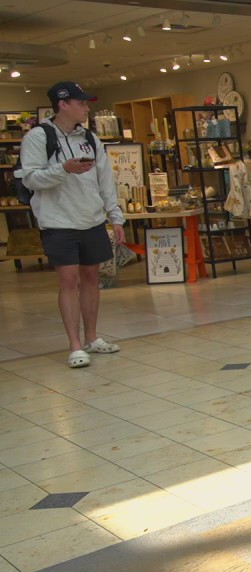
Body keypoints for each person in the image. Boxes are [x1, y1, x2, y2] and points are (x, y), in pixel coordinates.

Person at [17, 82, 123, 369]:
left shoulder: (89, 137)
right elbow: (30, 179)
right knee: (68, 280)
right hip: (58, 220)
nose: (86, 108)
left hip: (91, 218)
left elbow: (105, 179)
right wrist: (63, 169)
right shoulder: (39, 137)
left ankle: (92, 337)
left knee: (92, 277)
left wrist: (115, 216)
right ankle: (75, 345)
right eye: (82, 103)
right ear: (63, 104)